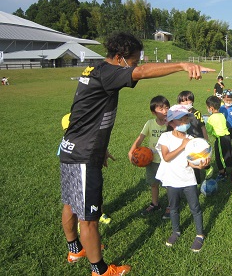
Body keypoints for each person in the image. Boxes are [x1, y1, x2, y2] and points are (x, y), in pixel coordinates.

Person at [59, 32, 214, 276]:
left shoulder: (96, 69)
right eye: (132, 61)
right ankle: (100, 270)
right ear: (119, 58)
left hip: (72, 147)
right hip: (83, 155)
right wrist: (183, 65)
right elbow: (141, 72)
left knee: (71, 202)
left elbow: (82, 111)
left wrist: (98, 146)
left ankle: (75, 249)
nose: (134, 66)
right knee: (88, 216)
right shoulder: (110, 72)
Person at [155, 105, 210, 252]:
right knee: (174, 208)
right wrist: (182, 146)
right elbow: (166, 157)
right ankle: (176, 231)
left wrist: (201, 166)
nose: (185, 122)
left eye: (186, 119)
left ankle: (199, 234)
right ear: (171, 123)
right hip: (172, 180)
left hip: (188, 179)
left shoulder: (191, 139)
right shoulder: (165, 137)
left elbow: (191, 161)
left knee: (195, 208)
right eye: (181, 120)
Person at [128, 95, 170, 218]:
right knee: (153, 183)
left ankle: (170, 205)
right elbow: (140, 138)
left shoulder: (171, 124)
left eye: (167, 108)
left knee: (168, 185)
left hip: (166, 160)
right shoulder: (150, 124)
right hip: (151, 161)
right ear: (153, 112)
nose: (165, 111)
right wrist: (131, 151)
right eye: (161, 109)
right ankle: (155, 204)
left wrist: (170, 124)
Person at [177, 90, 210, 184]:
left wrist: (206, 140)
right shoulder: (178, 115)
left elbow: (202, 127)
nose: (187, 103)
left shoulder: (197, 113)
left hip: (197, 140)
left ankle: (197, 180)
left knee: (196, 160)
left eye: (189, 100)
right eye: (184, 101)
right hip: (185, 141)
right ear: (179, 103)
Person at [205, 96, 232, 181]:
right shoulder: (221, 115)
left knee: (219, 157)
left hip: (221, 139)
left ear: (211, 108)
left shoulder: (211, 118)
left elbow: (209, 130)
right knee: (228, 154)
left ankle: (222, 174)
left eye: (207, 107)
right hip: (227, 137)